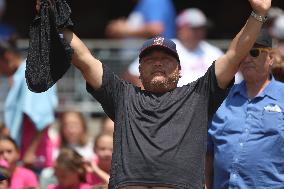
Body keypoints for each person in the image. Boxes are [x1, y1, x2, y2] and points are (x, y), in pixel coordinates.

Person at [35, 0, 271, 188]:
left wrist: (258, 14)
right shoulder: (122, 95)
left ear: (180, 70)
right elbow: (85, 60)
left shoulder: (198, 95)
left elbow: (234, 54)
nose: (158, 64)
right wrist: (56, 23)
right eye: (150, 60)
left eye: (166, 60)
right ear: (139, 70)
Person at [206, 29, 284, 188]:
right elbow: (207, 153)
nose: (247, 59)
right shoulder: (221, 99)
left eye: (254, 52)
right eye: (242, 53)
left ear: (270, 58)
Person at [123, 8, 242, 88]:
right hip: (167, 106)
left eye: (201, 28)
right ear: (180, 28)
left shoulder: (213, 52)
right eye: (193, 28)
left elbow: (236, 79)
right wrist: (149, 96)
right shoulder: (164, 47)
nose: (199, 32)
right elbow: (131, 74)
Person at [0, 39, 58, 172]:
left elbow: (44, 117)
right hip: (20, 154)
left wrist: (31, 152)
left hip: (34, 159)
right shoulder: (20, 75)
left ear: (7, 56)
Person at [105, 0, 176, 39]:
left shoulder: (154, 1)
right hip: (141, 59)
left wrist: (124, 30)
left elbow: (156, 28)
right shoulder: (141, 3)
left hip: (153, 57)